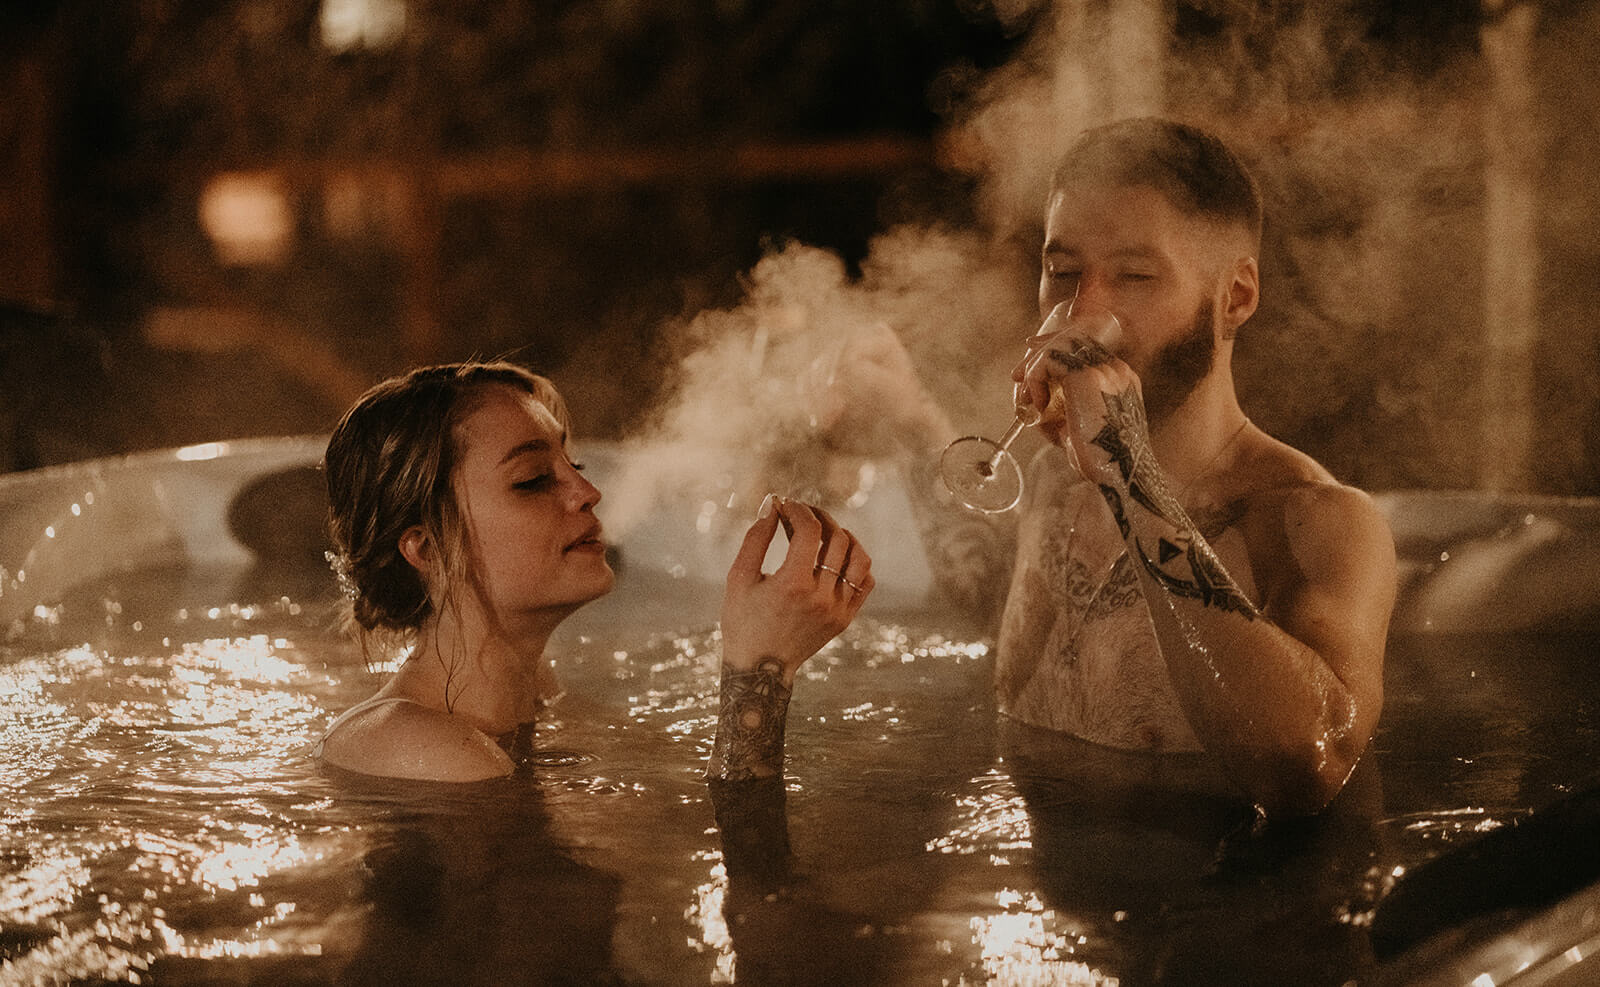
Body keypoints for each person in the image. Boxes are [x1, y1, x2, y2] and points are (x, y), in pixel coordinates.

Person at [816, 117, 1396, 816]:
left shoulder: (1317, 519)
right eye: (1062, 273)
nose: (1082, 309)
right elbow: (1001, 609)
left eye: (1135, 275)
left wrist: (1129, 471)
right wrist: (913, 425)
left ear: (1236, 296)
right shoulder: (1061, 485)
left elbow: (1309, 764)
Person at [315, 360, 874, 782]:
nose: (587, 492)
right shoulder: (422, 745)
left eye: (573, 465)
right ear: (427, 548)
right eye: (533, 479)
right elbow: (741, 859)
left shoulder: (536, 693)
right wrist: (759, 674)